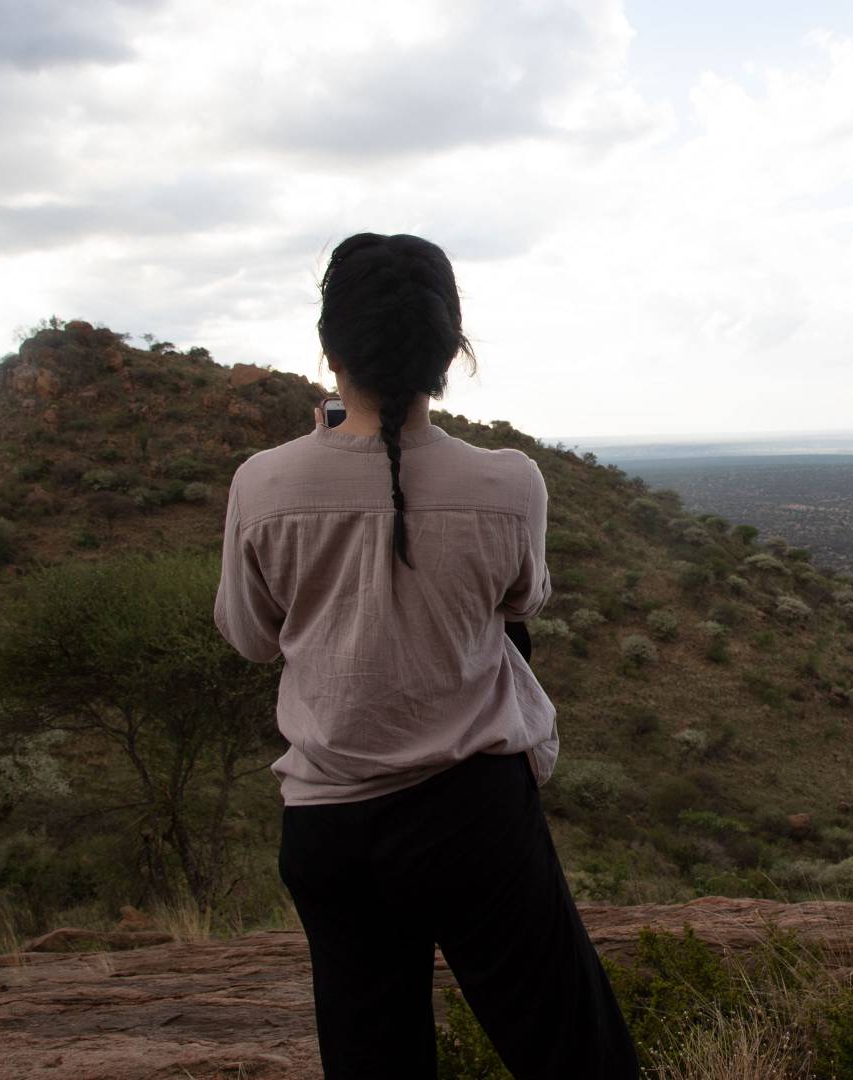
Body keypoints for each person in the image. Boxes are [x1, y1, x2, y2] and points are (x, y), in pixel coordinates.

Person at [213, 232, 639, 1079]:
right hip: (473, 813)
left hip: (331, 823)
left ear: (331, 351)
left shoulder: (262, 484)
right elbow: (524, 602)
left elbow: (253, 637)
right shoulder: (511, 483)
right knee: (570, 1049)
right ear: (449, 355)